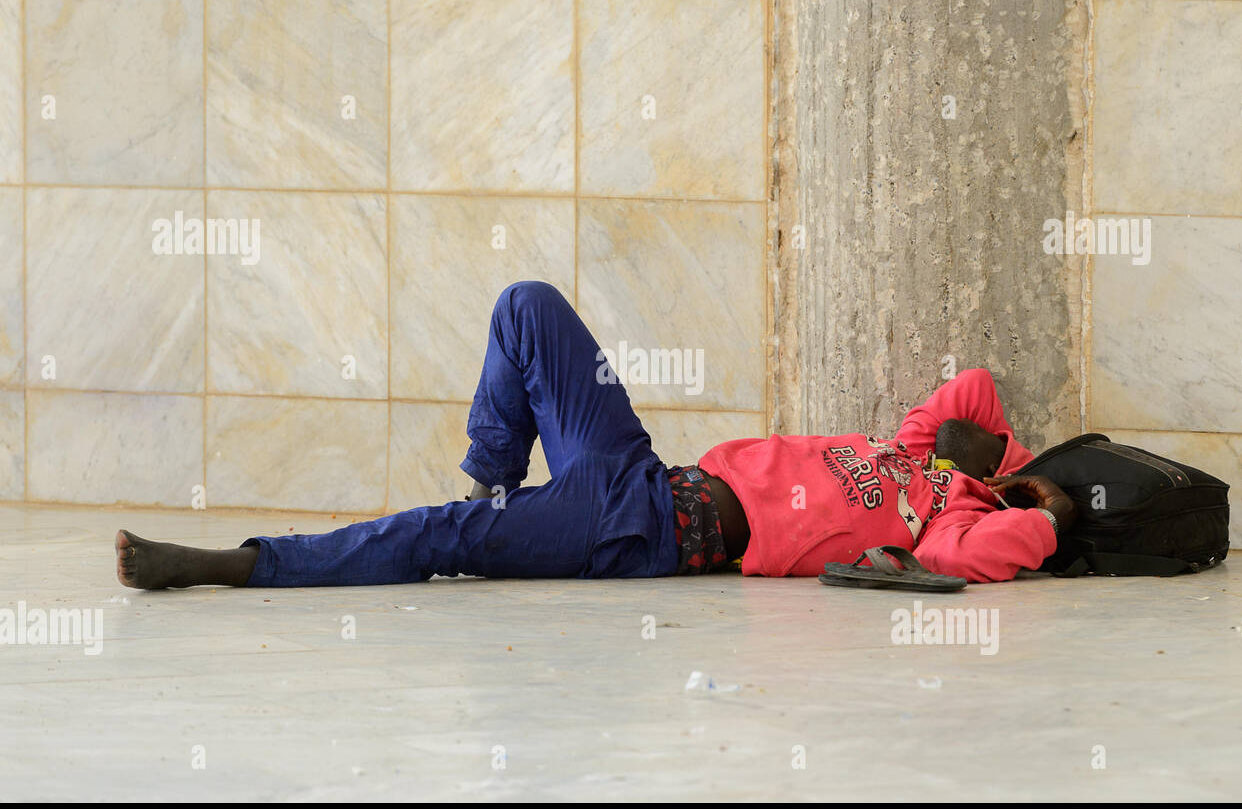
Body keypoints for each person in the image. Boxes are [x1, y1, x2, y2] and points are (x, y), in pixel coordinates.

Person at [114, 281, 1075, 590]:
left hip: (645, 535)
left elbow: (1005, 550)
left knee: (433, 540)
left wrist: (1040, 502)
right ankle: (496, 489)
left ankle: (235, 566)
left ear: (1002, 480)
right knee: (525, 306)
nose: (964, 442)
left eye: (986, 458)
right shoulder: (917, 454)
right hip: (644, 471)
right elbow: (975, 386)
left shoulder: (943, 525)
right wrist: (963, 447)